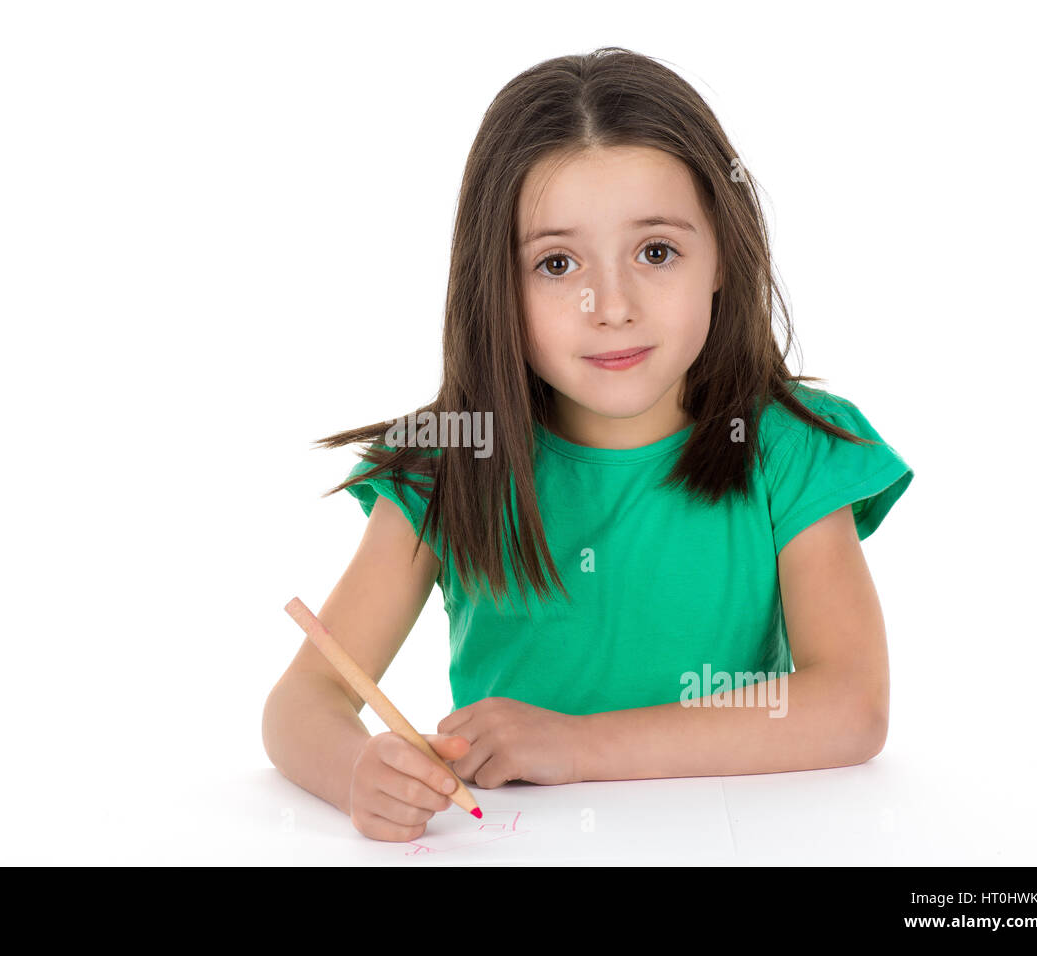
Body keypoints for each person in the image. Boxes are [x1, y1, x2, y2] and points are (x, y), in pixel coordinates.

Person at [263, 47, 913, 843]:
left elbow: (852, 704)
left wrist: (577, 746)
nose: (611, 305)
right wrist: (357, 772)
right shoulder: (448, 464)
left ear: (722, 257)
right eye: (557, 262)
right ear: (494, 284)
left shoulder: (790, 449)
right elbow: (300, 706)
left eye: (656, 252)